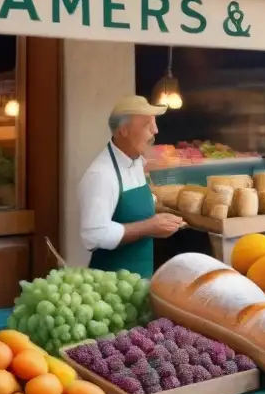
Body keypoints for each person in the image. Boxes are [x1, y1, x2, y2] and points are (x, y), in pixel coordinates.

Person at [76, 96, 184, 279]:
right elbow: (93, 235)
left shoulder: (136, 163)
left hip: (141, 280)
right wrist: (149, 227)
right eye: (146, 124)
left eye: (155, 123)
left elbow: (130, 208)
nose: (155, 130)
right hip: (110, 288)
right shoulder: (101, 175)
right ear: (123, 131)